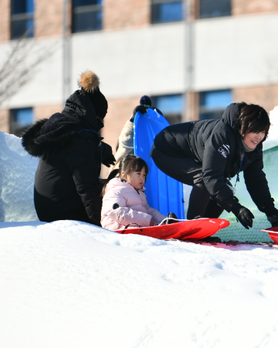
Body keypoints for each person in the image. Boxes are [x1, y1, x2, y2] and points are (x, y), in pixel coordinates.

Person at [150, 102, 278, 228]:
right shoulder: (222, 135)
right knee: (204, 179)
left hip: (190, 154)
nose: (259, 137)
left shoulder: (254, 146)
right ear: (242, 127)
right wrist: (236, 208)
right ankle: (193, 225)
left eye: (263, 132)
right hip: (167, 148)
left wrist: (269, 209)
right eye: (255, 131)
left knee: (224, 189)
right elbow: (211, 176)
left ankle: (203, 229)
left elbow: (255, 178)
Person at [22, 70, 115, 225]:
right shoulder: (76, 140)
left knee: (111, 185)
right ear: (92, 115)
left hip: (51, 207)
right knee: (113, 191)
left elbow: (83, 151)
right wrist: (100, 227)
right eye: (99, 119)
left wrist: (103, 151)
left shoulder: (65, 130)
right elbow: (87, 188)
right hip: (63, 215)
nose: (100, 124)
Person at [101, 154, 169, 230]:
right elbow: (117, 212)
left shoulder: (139, 192)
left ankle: (168, 224)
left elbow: (147, 210)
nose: (142, 178)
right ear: (124, 175)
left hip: (137, 226)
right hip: (118, 228)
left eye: (144, 175)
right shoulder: (115, 191)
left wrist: (163, 219)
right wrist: (147, 220)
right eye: (138, 174)